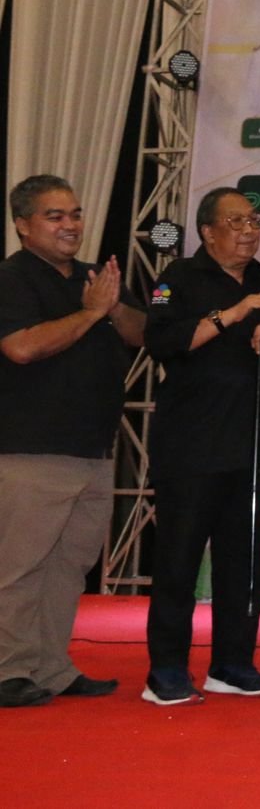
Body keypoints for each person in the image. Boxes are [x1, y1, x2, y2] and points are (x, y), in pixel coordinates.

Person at [142, 187, 260, 706]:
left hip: (250, 451)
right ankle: (166, 672)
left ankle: (232, 665)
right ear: (208, 231)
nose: (249, 231)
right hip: (190, 452)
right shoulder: (177, 278)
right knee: (178, 565)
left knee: (245, 566)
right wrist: (231, 315)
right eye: (236, 222)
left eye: (254, 221)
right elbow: (160, 342)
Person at [0, 175, 144, 707]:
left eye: (76, 214)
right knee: (19, 568)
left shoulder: (94, 276)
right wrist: (89, 313)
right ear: (23, 224)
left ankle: (51, 668)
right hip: (32, 449)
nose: (71, 225)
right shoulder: (12, 278)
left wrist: (112, 306)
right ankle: (8, 670)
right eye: (55, 215)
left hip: (94, 449)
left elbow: (142, 334)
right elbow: (21, 348)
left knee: (68, 568)